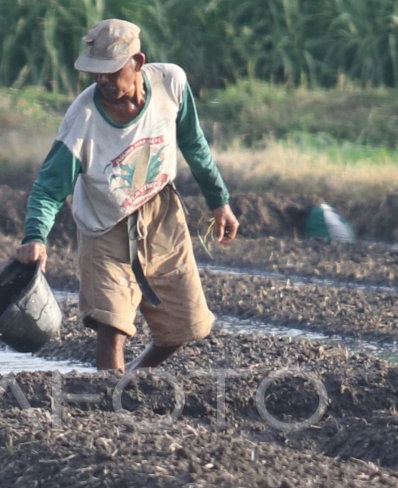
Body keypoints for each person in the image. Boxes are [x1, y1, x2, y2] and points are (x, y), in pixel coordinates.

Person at [15, 18, 239, 372]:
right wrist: (34, 236)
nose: (101, 79)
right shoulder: (83, 119)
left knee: (182, 328)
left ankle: (130, 379)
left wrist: (219, 201)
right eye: (95, 72)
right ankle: (111, 399)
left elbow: (194, 144)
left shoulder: (171, 83)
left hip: (161, 213)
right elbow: (49, 186)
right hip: (106, 225)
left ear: (137, 62)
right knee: (112, 325)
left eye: (109, 71)